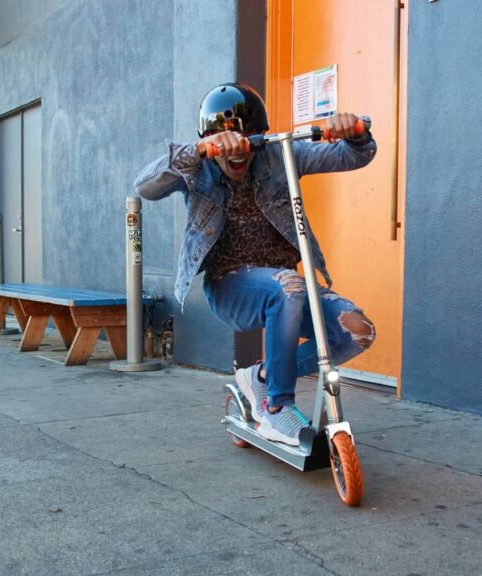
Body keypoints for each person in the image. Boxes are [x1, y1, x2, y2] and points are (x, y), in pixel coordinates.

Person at [135, 83, 377, 446]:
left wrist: (355, 133)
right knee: (287, 286)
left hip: (287, 288)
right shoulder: (197, 169)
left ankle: (261, 376)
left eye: (248, 139)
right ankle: (277, 408)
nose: (239, 150)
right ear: (210, 141)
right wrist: (197, 151)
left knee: (357, 331)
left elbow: (352, 156)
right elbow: (145, 186)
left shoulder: (281, 155)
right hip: (229, 287)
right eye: (227, 141)